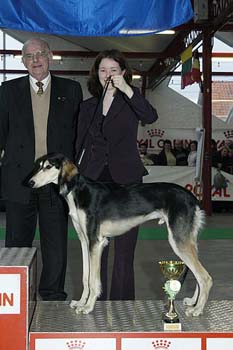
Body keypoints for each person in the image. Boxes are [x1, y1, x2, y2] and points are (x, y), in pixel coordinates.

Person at [0, 37, 83, 301]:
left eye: (40, 54)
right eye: (29, 56)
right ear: (23, 62)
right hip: (19, 181)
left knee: (56, 246)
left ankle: (52, 296)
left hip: (55, 183)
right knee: (16, 246)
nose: (35, 60)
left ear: (50, 56)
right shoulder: (7, 90)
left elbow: (77, 136)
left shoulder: (71, 89)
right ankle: (18, 299)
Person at [75, 49, 158, 300]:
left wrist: (128, 90)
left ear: (123, 72)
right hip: (94, 182)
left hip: (127, 181)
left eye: (113, 70)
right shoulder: (88, 106)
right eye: (103, 70)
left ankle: (122, 303)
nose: (108, 74)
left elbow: (151, 116)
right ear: (96, 74)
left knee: (125, 249)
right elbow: (78, 144)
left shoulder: (131, 102)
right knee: (95, 246)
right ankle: (95, 300)